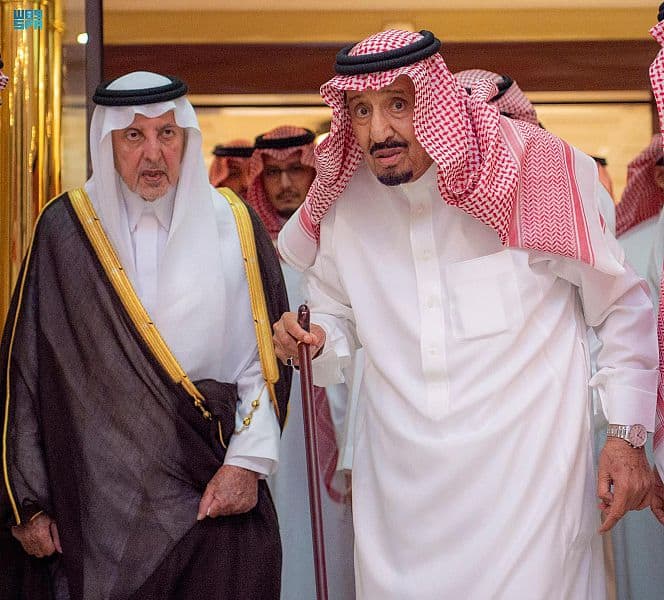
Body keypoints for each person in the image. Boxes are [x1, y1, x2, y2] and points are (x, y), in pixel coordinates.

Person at [273, 29, 657, 599]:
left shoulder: (534, 170)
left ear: (437, 101)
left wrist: (626, 436)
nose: (378, 131)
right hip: (400, 509)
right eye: (361, 111)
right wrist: (316, 337)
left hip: (531, 499)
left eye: (398, 104)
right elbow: (336, 312)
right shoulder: (346, 203)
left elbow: (621, 305)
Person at [1, 71, 291, 599]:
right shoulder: (67, 229)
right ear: (107, 142)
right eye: (133, 135)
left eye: (167, 133)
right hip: (95, 506)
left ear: (186, 138)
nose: (153, 154)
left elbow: (265, 361)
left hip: (210, 489)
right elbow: (27, 372)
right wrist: (29, 502)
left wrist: (247, 464)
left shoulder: (235, 226)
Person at [245, 125, 355, 600]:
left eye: (296, 170)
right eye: (273, 173)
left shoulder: (340, 238)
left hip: (341, 407)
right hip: (271, 417)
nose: (286, 183)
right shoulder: (247, 252)